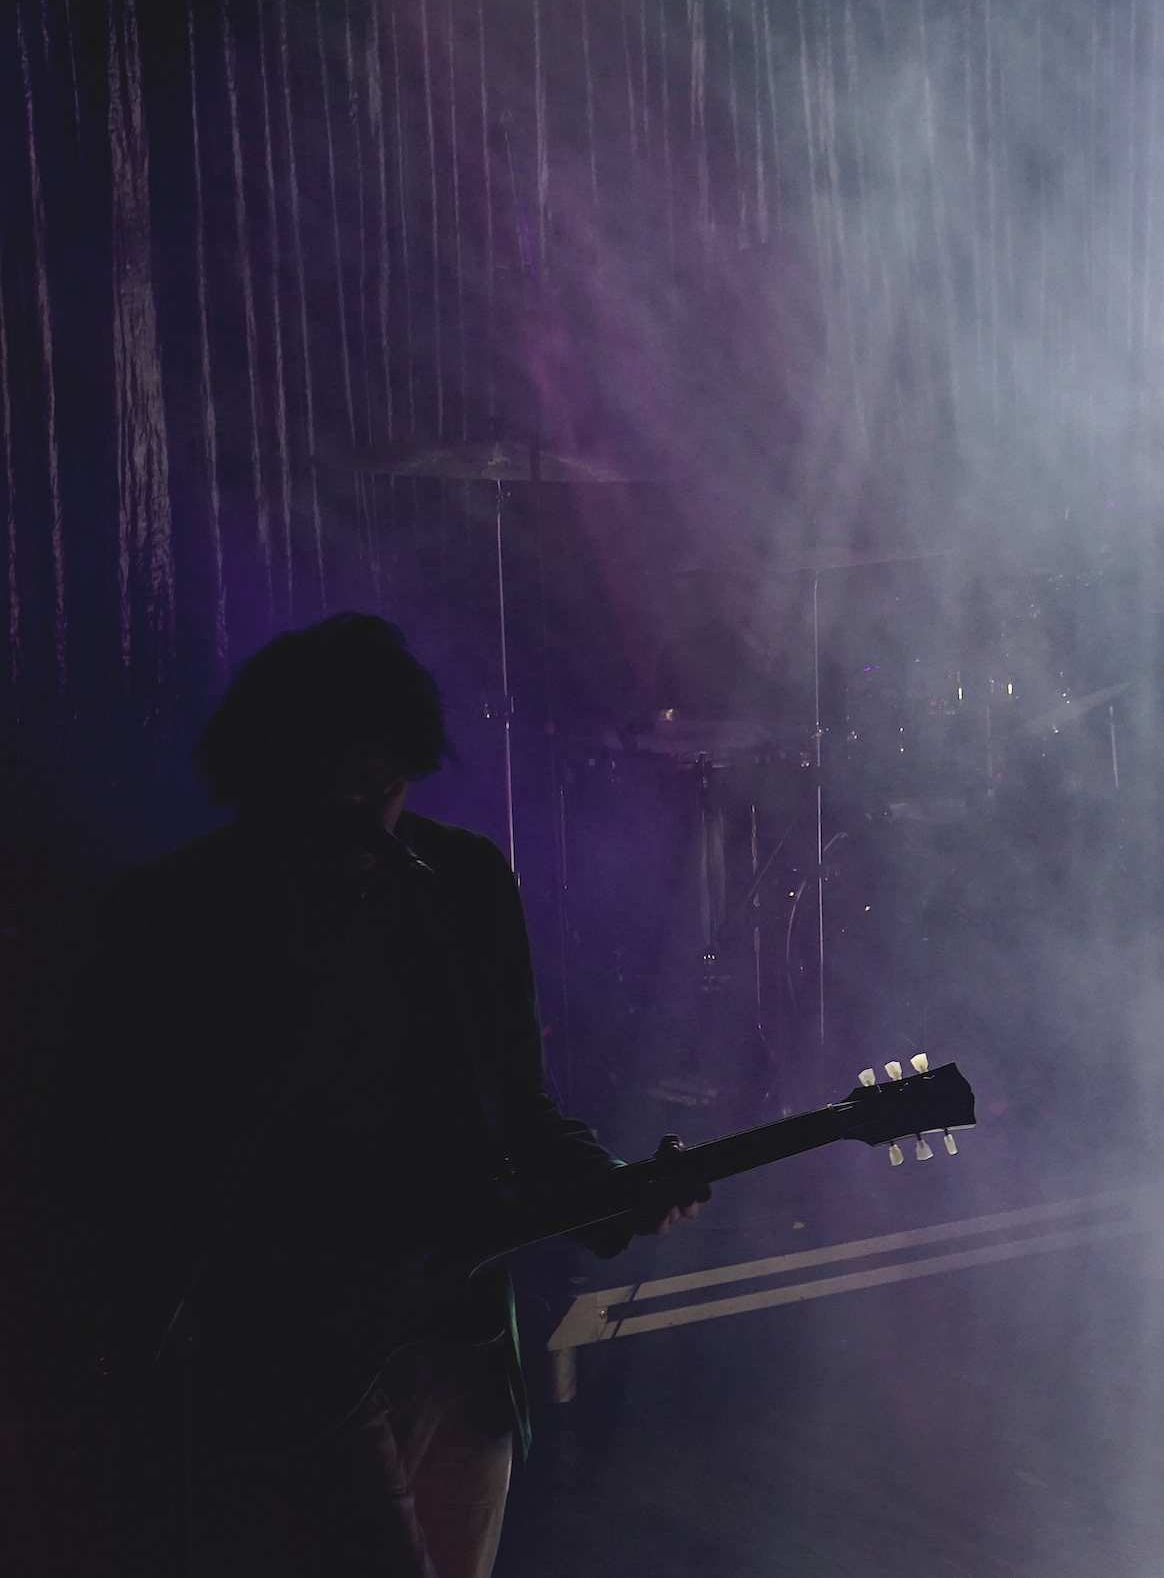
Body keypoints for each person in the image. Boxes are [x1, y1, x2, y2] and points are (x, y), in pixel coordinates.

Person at [72, 614, 702, 1578]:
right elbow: (118, 1156)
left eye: (388, 788)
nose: (370, 819)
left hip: (458, 1337)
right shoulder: (174, 916)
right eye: (340, 794)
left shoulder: (464, 885)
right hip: (289, 1350)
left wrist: (613, 1189)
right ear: (269, 776)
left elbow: (517, 1107)